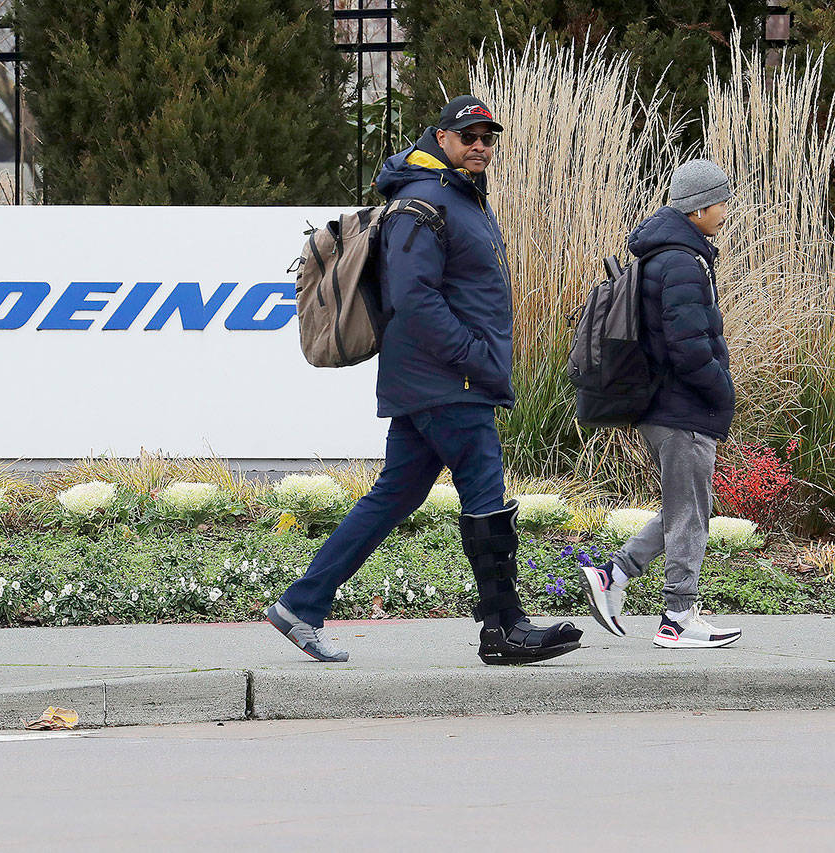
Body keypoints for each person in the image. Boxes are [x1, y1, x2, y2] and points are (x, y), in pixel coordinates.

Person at [267, 96, 582, 665]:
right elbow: (414, 298)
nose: (481, 145)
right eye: (469, 136)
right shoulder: (422, 203)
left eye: (488, 137)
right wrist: (473, 357)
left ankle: (301, 604)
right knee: (485, 496)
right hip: (448, 381)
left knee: (395, 494)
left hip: (433, 381)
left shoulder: (456, 197)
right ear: (441, 138)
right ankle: (503, 627)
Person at [579, 160, 742, 649]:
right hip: (681, 406)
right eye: (720, 202)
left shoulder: (663, 254)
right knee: (690, 513)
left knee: (687, 507)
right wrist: (722, 391)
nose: (724, 211)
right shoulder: (680, 261)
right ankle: (677, 617)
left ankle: (614, 574)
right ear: (697, 208)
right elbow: (689, 346)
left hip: (663, 405)